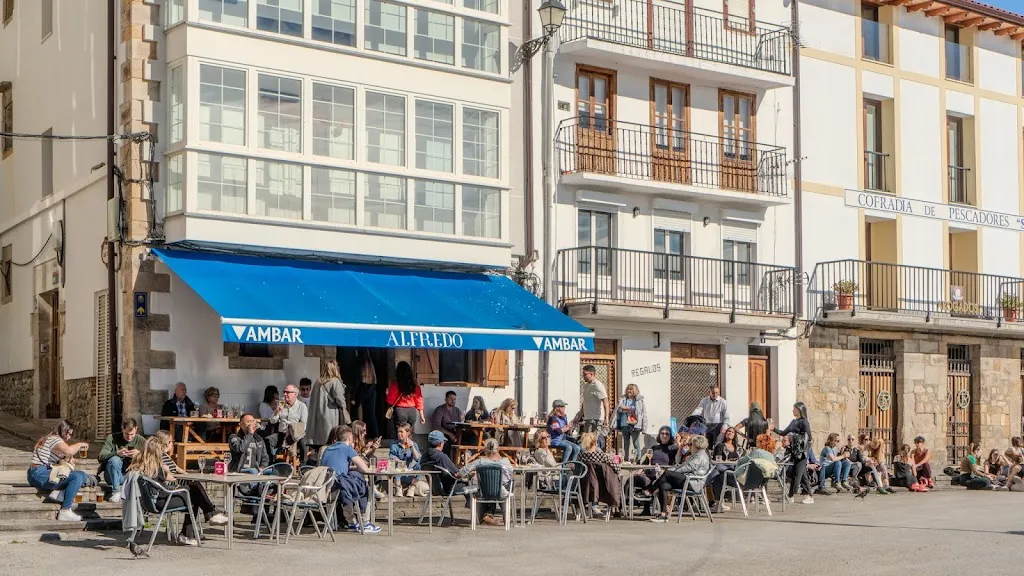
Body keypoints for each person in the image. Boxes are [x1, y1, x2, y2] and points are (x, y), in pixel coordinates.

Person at [129, 436, 228, 545]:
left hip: (147, 503)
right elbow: (172, 478)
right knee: (193, 493)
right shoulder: (157, 468)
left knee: (193, 491)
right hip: (160, 502)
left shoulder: (140, 465)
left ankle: (195, 527)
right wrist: (167, 470)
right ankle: (204, 518)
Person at [319, 425, 382, 533]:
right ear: (349, 438)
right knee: (365, 487)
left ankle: (352, 522)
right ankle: (365, 522)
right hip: (337, 488)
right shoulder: (347, 448)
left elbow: (338, 467)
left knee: (350, 482)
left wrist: (354, 468)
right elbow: (364, 468)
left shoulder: (328, 449)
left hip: (324, 488)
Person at [27, 420, 91, 522]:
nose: (69, 437)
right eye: (69, 434)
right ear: (63, 431)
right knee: (76, 477)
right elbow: (69, 451)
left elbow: (61, 458)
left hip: (44, 472)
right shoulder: (54, 439)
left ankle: (60, 494)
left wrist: (69, 460)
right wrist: (79, 444)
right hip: (38, 473)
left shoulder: (52, 440)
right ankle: (65, 510)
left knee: (82, 474)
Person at [647, 435, 711, 523]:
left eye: (690, 444)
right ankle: (663, 514)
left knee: (667, 474)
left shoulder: (700, 456)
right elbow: (678, 462)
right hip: (687, 480)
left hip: (693, 483)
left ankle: (650, 490)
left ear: (696, 445)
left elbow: (687, 468)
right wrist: (680, 448)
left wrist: (669, 472)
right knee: (663, 486)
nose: (689, 446)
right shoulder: (695, 455)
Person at [458, 438, 513, 526]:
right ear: (498, 449)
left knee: (480, 485)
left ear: (485, 450)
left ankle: (483, 515)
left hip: (484, 492)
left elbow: (462, 472)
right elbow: (510, 474)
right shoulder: (506, 462)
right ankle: (506, 517)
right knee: (507, 484)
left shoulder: (480, 462)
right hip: (501, 492)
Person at [773, 402, 813, 504]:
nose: (793, 411)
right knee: (802, 475)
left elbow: (809, 438)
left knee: (797, 473)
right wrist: (773, 428)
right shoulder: (793, 422)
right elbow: (783, 433)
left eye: (794, 409)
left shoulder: (804, 422)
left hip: (802, 452)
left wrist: (805, 451)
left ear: (799, 409)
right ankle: (809, 495)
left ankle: (790, 496)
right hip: (794, 451)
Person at [306, 360, 350, 452]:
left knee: (320, 444)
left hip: (318, 417)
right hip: (330, 415)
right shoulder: (335, 381)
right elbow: (340, 400)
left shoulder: (317, 382)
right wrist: (344, 408)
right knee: (331, 441)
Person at [98, 418, 145, 503]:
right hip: (111, 475)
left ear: (136, 429)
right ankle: (116, 491)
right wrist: (117, 453)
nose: (129, 437)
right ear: (122, 428)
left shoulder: (141, 441)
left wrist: (140, 455)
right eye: (126, 434)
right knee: (115, 460)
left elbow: (152, 459)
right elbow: (101, 457)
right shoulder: (112, 438)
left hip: (131, 476)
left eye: (132, 434)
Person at [266, 383, 308, 456]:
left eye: (288, 392)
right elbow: (272, 421)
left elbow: (304, 425)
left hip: (295, 435)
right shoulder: (282, 404)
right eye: (284, 392)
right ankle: (271, 460)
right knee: (267, 440)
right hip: (282, 434)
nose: (285, 394)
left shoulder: (302, 406)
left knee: (303, 443)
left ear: (295, 394)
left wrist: (294, 433)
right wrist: (277, 411)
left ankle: (303, 462)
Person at [386, 361, 425, 436]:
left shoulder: (396, 384)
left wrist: (387, 394)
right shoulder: (414, 385)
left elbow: (390, 401)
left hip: (400, 411)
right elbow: (419, 400)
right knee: (409, 434)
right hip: (412, 412)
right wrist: (422, 415)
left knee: (400, 434)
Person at [612, 383, 647, 462]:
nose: (629, 391)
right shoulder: (623, 399)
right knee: (626, 443)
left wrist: (644, 427)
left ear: (635, 391)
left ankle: (638, 459)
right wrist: (626, 409)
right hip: (624, 424)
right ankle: (626, 458)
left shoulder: (638, 400)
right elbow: (619, 409)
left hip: (634, 424)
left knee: (635, 442)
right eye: (628, 389)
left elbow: (641, 412)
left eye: (631, 389)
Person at [389, 423, 426, 497]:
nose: (399, 434)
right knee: (398, 466)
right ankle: (398, 488)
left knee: (418, 465)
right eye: (398, 432)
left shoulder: (414, 444)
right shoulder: (395, 445)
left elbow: (417, 458)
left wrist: (412, 447)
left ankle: (412, 488)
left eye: (401, 432)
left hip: (410, 473)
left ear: (408, 433)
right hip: (398, 474)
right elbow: (392, 456)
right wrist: (400, 462)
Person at [578, 365, 608, 436]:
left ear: (591, 374)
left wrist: (606, 418)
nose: (583, 376)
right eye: (583, 374)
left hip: (596, 419)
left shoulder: (598, 385)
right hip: (587, 417)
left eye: (585, 374)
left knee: (593, 440)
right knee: (587, 440)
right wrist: (579, 416)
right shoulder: (586, 386)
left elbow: (605, 401)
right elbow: (585, 402)